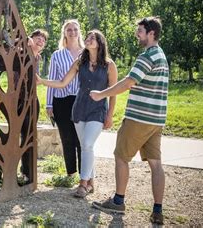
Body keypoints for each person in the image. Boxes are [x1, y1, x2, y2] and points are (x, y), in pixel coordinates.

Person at [90, 17, 169, 225]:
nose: (137, 34)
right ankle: (158, 210)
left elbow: (128, 82)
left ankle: (118, 201)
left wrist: (101, 94)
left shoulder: (148, 55)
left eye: (140, 30)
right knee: (156, 164)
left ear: (151, 33)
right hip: (156, 120)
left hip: (138, 118)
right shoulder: (161, 55)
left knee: (120, 157)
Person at [38, 30, 117, 197]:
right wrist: (42, 81)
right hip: (79, 108)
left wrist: (110, 115)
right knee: (86, 146)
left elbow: (113, 93)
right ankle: (91, 182)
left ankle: (82, 184)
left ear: (100, 43)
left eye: (92, 38)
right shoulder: (79, 62)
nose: (88, 40)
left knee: (87, 144)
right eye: (87, 38)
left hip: (97, 110)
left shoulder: (110, 65)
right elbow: (62, 82)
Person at [45, 19, 84, 178]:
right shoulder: (57, 55)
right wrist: (49, 104)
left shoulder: (86, 53)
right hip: (61, 100)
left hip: (81, 100)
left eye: (75, 29)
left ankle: (84, 174)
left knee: (81, 139)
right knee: (67, 138)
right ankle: (71, 173)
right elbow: (52, 79)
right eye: (69, 29)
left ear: (79, 32)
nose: (72, 32)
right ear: (64, 33)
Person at [19, 29, 48, 182]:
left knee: (29, 135)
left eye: (43, 40)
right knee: (20, 134)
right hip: (18, 99)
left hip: (32, 99)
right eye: (38, 38)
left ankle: (27, 172)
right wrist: (25, 39)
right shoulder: (22, 51)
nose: (41, 41)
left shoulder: (38, 57)